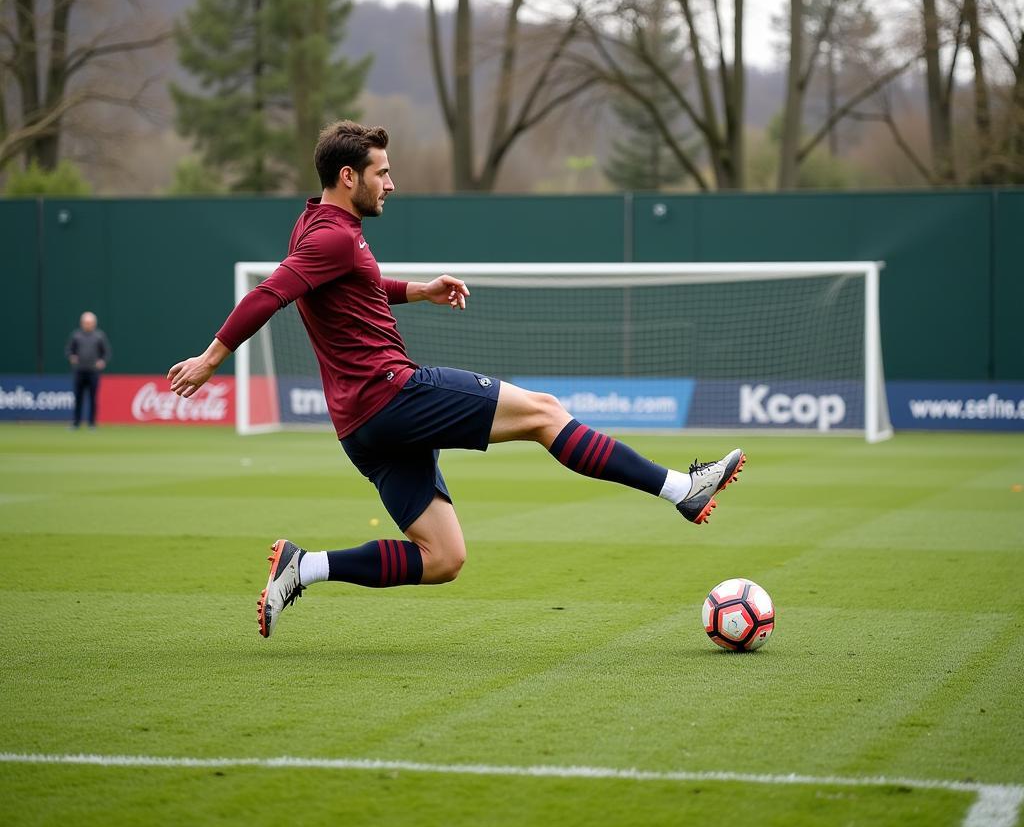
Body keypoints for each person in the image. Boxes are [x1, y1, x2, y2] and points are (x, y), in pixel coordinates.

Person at [167, 121, 746, 639]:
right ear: (348, 176)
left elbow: (353, 283)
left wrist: (417, 290)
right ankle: (680, 490)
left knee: (442, 558)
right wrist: (212, 358)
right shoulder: (334, 237)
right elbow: (270, 294)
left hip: (359, 427)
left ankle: (305, 566)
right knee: (545, 412)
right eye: (382, 173)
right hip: (392, 393)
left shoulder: (317, 226)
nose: (391, 184)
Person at [66, 311, 110, 429]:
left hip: (93, 372)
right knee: (78, 397)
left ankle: (92, 423)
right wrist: (72, 357)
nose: (88, 325)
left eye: (90, 323)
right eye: (86, 322)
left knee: (93, 398)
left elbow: (106, 353)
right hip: (79, 371)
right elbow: (69, 350)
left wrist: (102, 361)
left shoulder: (99, 336)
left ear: (94, 323)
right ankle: (76, 422)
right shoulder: (76, 336)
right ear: (82, 323)